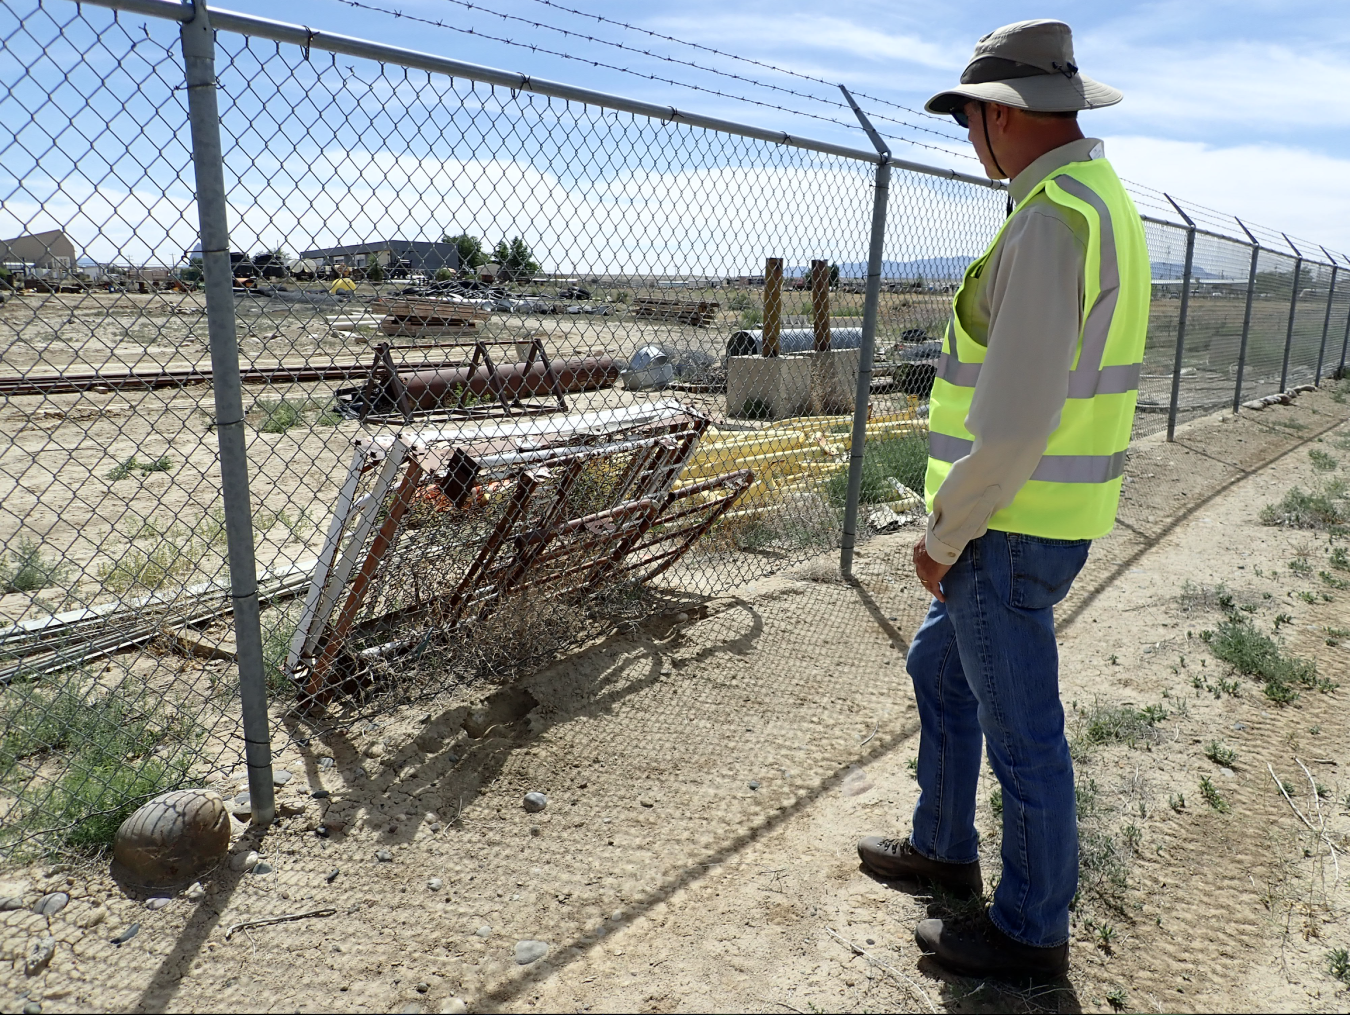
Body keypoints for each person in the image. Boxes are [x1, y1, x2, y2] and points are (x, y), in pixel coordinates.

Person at [855, 19, 1150, 980]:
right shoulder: (1092, 199)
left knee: (1026, 741)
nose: (966, 135)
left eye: (969, 116)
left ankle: (1030, 932)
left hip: (1006, 529)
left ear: (1000, 115)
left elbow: (1016, 421)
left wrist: (943, 535)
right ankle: (944, 842)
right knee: (941, 674)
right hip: (1039, 523)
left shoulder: (1053, 217)